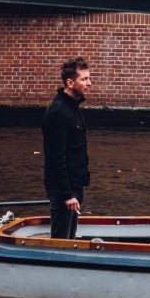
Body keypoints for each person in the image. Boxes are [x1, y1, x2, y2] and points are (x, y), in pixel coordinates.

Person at [42, 57, 91, 240]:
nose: (89, 83)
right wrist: (67, 195)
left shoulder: (72, 107)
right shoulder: (58, 111)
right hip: (64, 190)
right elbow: (56, 158)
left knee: (70, 238)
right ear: (70, 83)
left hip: (75, 185)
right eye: (84, 79)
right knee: (61, 239)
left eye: (88, 78)